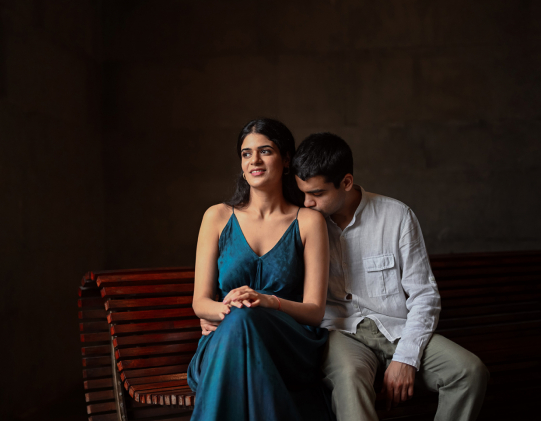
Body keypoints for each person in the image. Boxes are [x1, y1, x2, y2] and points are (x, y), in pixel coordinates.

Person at [290, 132, 489, 421]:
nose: (307, 203)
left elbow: (424, 295)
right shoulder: (304, 223)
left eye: (317, 194)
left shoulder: (396, 216)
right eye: (302, 193)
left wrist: (406, 358)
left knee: (469, 372)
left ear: (346, 182)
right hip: (341, 330)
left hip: (397, 328)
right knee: (349, 378)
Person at [187, 119, 335, 421]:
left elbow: (315, 311)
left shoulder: (308, 222)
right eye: (246, 153)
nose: (254, 160)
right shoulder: (216, 217)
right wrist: (232, 311)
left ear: (286, 159)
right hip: (225, 341)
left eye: (265, 151)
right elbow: (200, 303)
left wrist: (265, 302)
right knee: (241, 321)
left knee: (243, 320)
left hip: (289, 345)